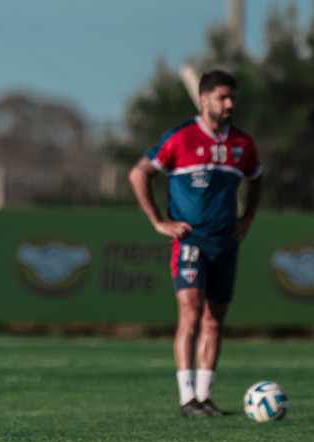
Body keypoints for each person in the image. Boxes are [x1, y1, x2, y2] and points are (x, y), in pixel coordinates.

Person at [127, 70, 262, 417]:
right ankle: (187, 398)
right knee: (190, 309)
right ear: (204, 100)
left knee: (215, 319)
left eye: (232, 97)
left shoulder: (242, 145)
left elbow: (257, 180)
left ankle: (205, 397)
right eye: (222, 97)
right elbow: (138, 172)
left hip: (225, 243)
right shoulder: (180, 138)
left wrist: (247, 219)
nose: (229, 103)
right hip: (190, 240)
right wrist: (158, 221)